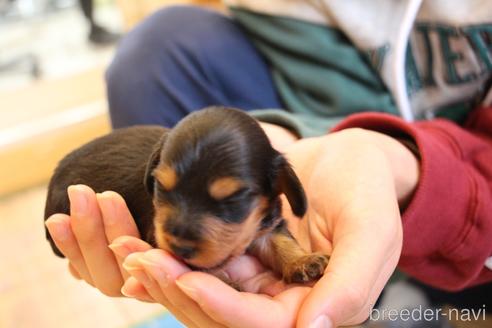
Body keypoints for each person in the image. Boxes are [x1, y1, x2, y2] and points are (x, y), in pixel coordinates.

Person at [45, 1, 492, 327]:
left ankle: (394, 293)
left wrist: (403, 167)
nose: (180, 235)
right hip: (307, 126)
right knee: (157, 50)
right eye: (163, 189)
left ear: (282, 189)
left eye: (229, 201)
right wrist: (295, 136)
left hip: (471, 221)